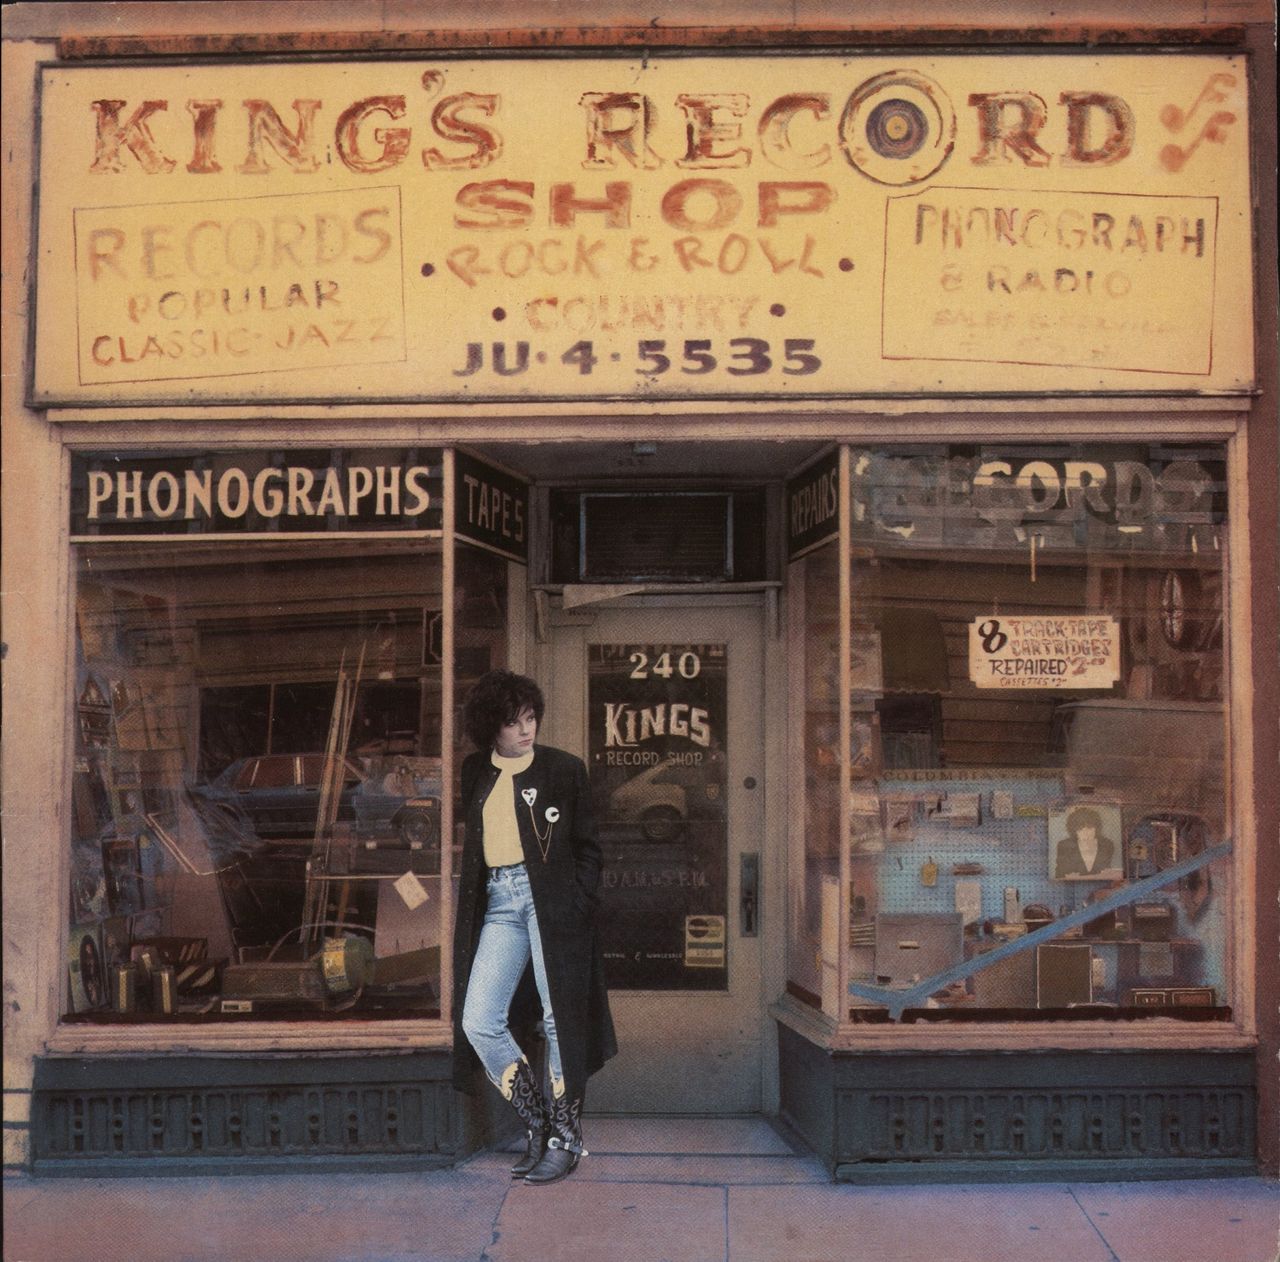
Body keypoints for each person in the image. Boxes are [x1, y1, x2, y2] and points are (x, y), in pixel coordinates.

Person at [452, 670, 617, 1185]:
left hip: (552, 902)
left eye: (530, 718)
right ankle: (539, 1122)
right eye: (512, 722)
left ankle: (566, 1139)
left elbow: (589, 847)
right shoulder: (475, 771)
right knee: (478, 1019)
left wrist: (577, 902)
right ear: (490, 728)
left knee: (559, 1018)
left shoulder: (563, 769)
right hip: (499, 902)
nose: (526, 730)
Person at [1054, 805, 1120, 878]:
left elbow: (1107, 874)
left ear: (1096, 828)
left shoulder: (1107, 845)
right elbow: (1059, 875)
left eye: (1089, 828)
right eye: (1080, 829)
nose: (1085, 834)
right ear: (1074, 831)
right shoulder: (1064, 846)